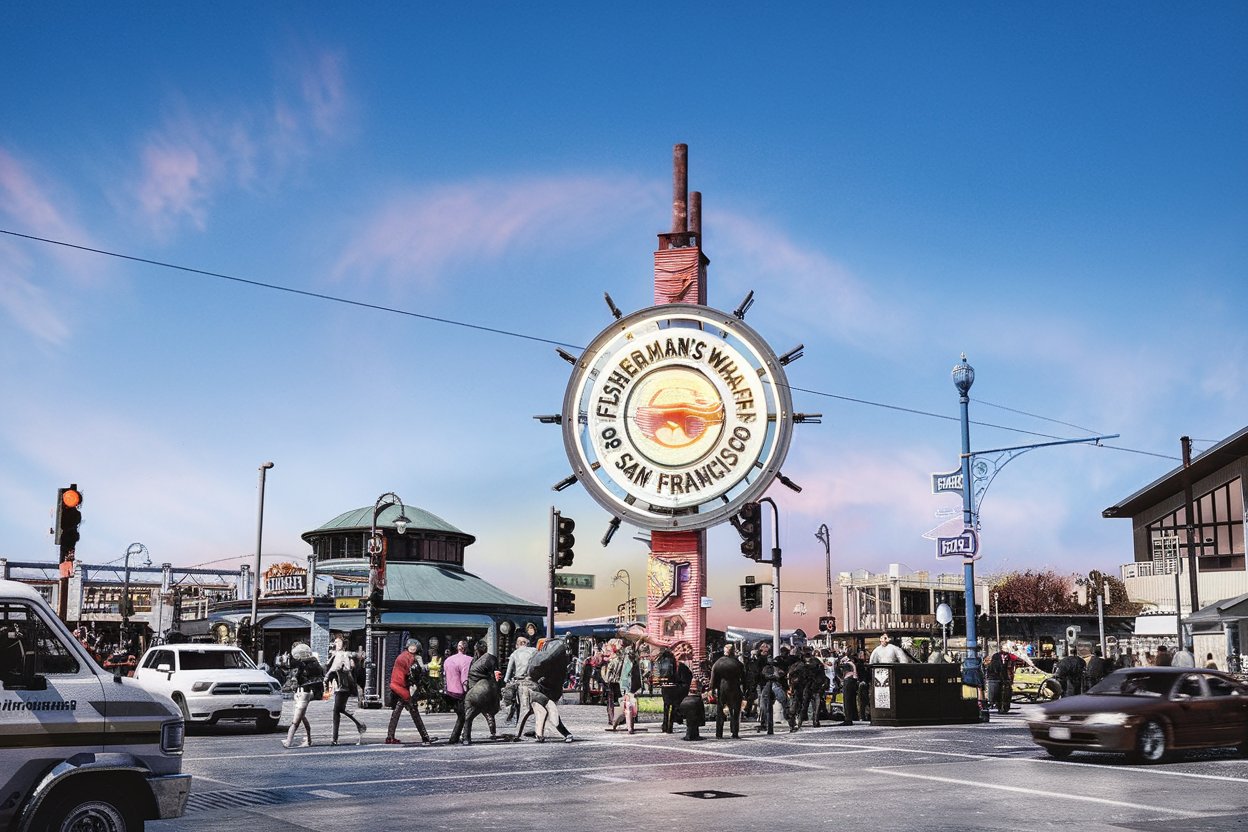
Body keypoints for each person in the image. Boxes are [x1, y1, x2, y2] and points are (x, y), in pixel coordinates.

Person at [385, 639, 435, 745]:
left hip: (398, 686)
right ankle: (425, 737)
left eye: (414, 646)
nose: (413, 647)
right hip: (402, 688)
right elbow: (414, 672)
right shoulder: (410, 658)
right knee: (414, 712)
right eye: (412, 646)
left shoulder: (404, 656)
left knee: (397, 712)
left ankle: (390, 737)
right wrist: (428, 667)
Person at [282, 642, 324, 749]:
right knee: (302, 718)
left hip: (302, 694)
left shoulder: (301, 665)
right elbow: (321, 677)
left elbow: (296, 678)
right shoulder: (315, 663)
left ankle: (288, 741)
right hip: (309, 693)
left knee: (295, 721)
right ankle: (309, 740)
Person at [325, 637, 366, 745]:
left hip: (343, 687)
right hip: (339, 686)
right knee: (339, 710)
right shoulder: (335, 655)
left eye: (338, 642)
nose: (335, 644)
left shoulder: (344, 655)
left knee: (336, 711)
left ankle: (335, 739)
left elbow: (338, 668)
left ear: (343, 645)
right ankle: (359, 724)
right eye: (335, 642)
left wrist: (327, 675)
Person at [461, 640, 500, 745]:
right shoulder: (490, 658)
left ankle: (466, 737)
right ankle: (493, 733)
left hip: (475, 690)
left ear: (476, 650)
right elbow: (497, 676)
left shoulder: (475, 661)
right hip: (486, 688)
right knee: (488, 712)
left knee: (469, 715)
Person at [709, 643, 744, 739]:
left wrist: (711, 689)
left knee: (720, 711)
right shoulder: (738, 664)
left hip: (722, 688)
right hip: (735, 688)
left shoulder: (718, 663)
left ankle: (719, 733)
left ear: (724, 651)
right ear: (733, 652)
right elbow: (744, 678)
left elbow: (713, 678)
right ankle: (735, 732)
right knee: (735, 711)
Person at [444, 640, 472, 745]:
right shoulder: (467, 660)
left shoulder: (448, 660)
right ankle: (458, 737)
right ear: (466, 648)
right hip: (460, 692)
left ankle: (456, 737)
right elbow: (464, 679)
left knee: (461, 715)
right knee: (464, 715)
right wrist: (467, 692)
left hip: (449, 692)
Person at [839, 655, 859, 725]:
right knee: (851, 700)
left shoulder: (848, 664)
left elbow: (843, 672)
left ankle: (848, 719)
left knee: (847, 700)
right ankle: (854, 716)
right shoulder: (853, 664)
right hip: (852, 681)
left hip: (848, 680)